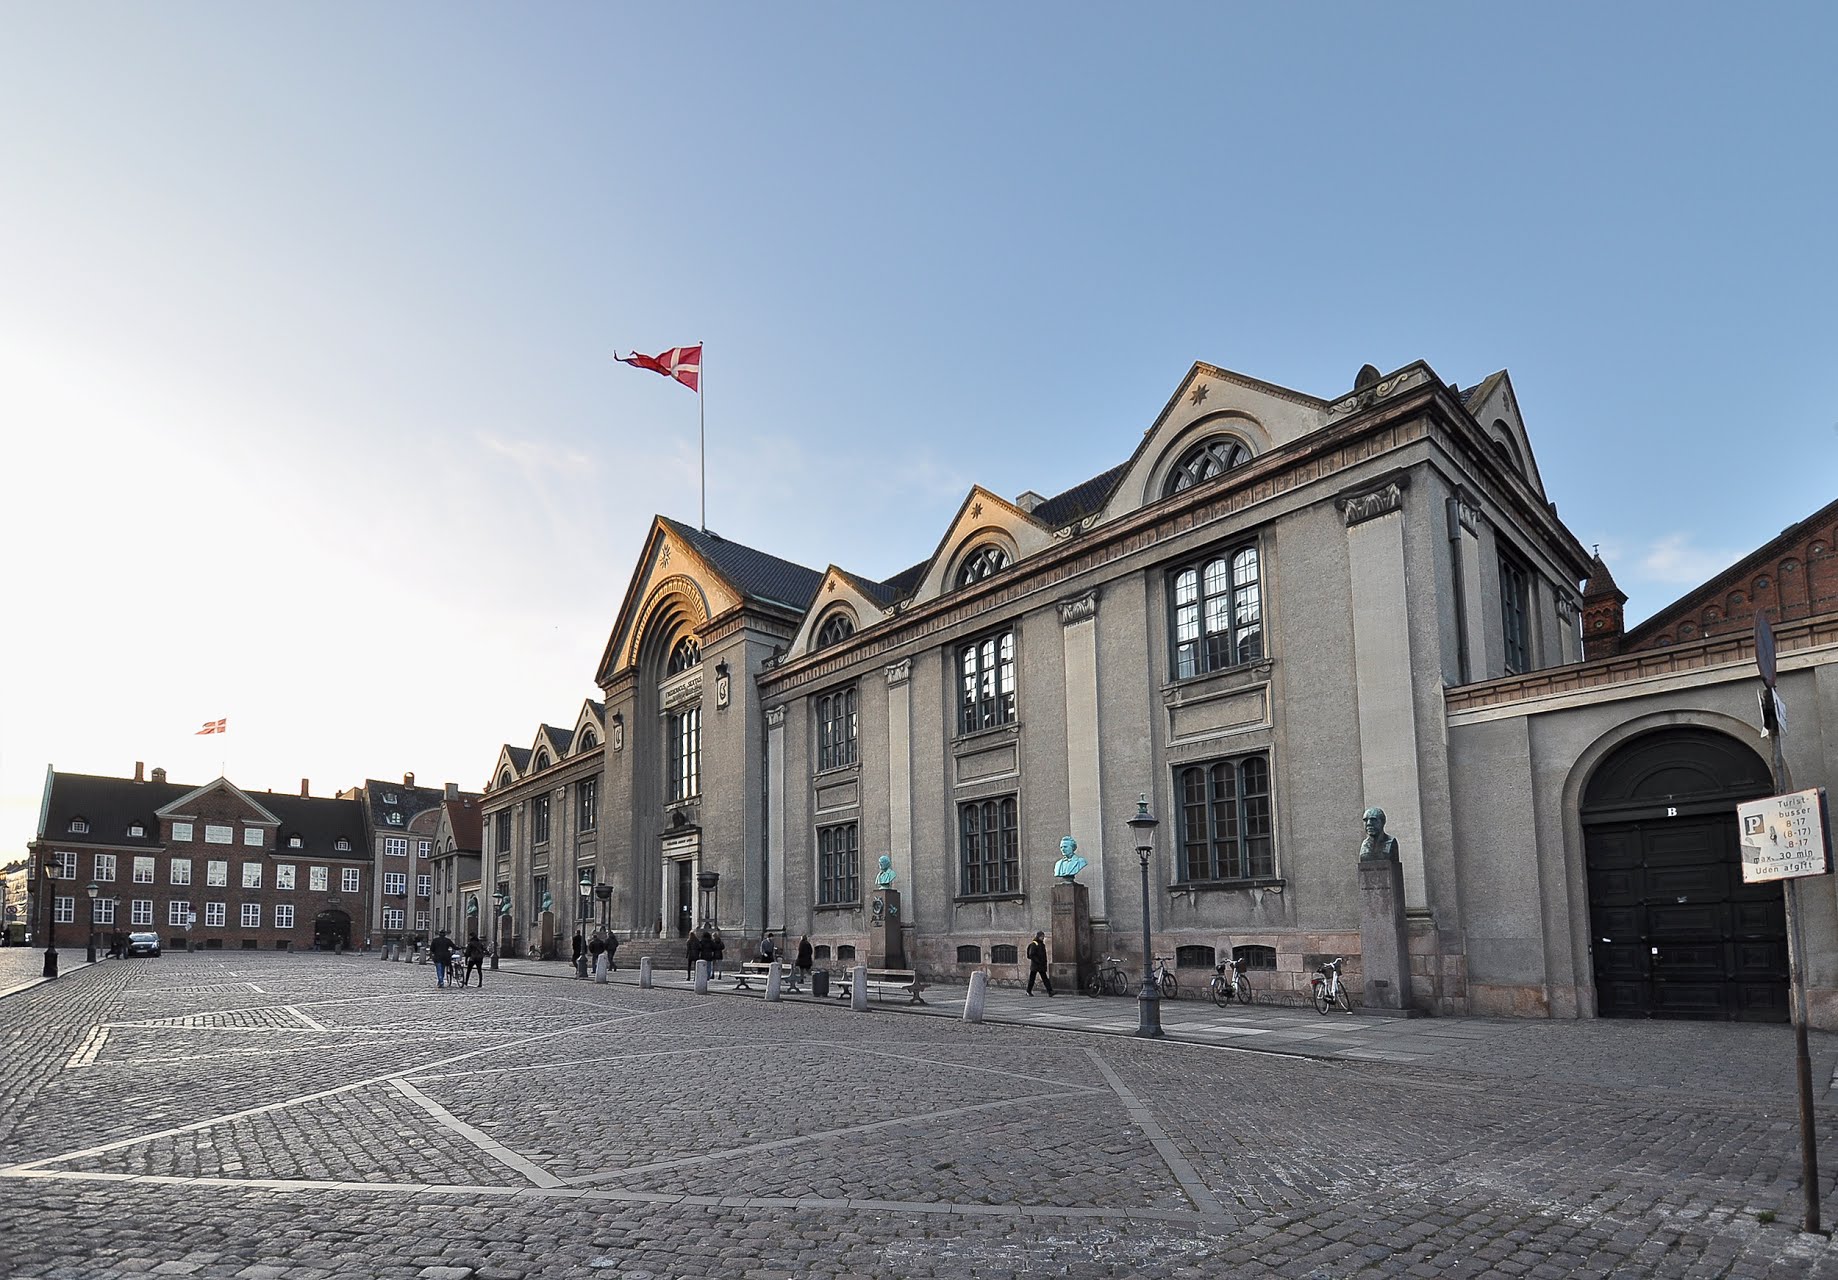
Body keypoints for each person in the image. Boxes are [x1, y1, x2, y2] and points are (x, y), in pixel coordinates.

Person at [1025, 930, 1054, 996]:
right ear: (1038, 936)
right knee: (1032, 979)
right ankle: (1028, 991)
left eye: (1043, 936)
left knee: (1045, 978)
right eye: (1041, 936)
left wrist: (1043, 963)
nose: (1043, 937)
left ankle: (1050, 991)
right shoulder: (1034, 944)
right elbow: (1031, 954)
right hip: (1035, 965)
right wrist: (1038, 961)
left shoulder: (1042, 944)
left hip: (1041, 965)